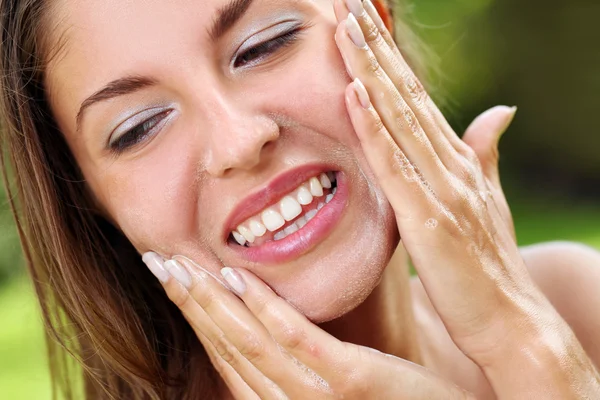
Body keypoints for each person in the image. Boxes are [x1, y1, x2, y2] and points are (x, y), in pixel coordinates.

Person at [1, 0, 599, 398]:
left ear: (375, 21)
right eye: (137, 127)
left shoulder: (573, 304)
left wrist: (523, 343)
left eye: (265, 43)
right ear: (91, 201)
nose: (238, 141)